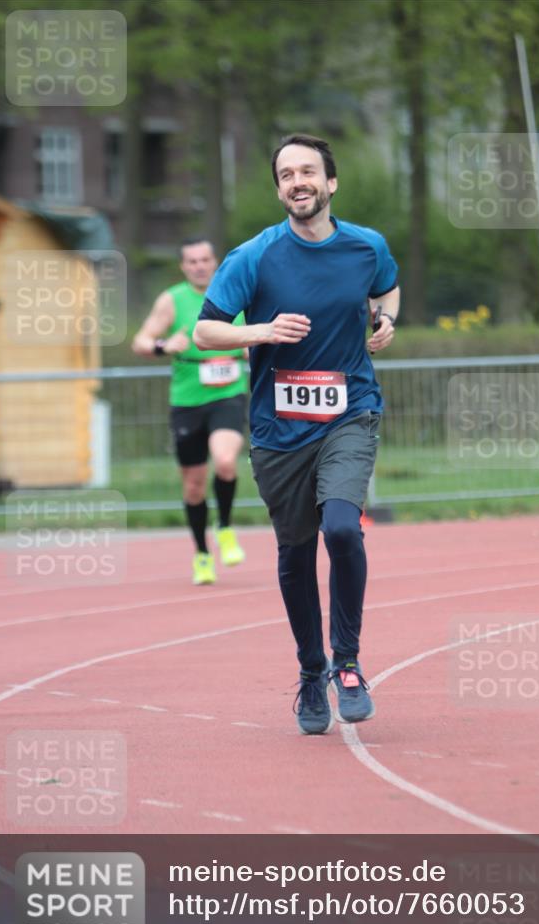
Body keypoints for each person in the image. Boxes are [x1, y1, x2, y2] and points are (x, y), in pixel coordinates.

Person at [194, 134, 399, 734]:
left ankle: (350, 662)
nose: (297, 181)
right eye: (286, 174)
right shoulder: (253, 256)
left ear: (330, 183)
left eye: (308, 171)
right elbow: (207, 333)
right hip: (279, 430)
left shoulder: (367, 247)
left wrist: (386, 320)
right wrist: (261, 332)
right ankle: (312, 672)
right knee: (294, 552)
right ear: (280, 189)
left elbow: (384, 288)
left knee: (341, 525)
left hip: (349, 412)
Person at [132, 238, 247, 584]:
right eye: (192, 261)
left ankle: (224, 527)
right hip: (187, 402)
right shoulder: (172, 300)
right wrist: (165, 345)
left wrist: (249, 348)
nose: (199, 265)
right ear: (184, 266)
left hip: (229, 393)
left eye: (205, 259)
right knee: (194, 486)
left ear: (215, 261)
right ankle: (201, 553)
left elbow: (258, 333)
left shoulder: (236, 293)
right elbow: (140, 341)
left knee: (225, 461)